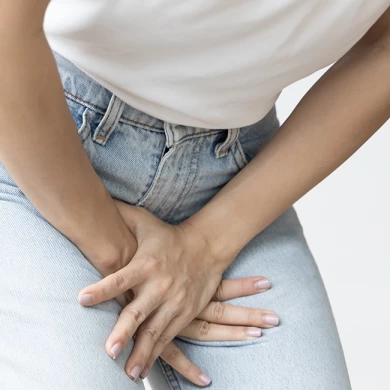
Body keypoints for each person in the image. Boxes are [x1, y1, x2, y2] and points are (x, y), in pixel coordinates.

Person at [0, 1, 389, 389]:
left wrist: (207, 244)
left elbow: (383, 45)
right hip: (38, 141)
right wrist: (123, 258)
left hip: (236, 172)